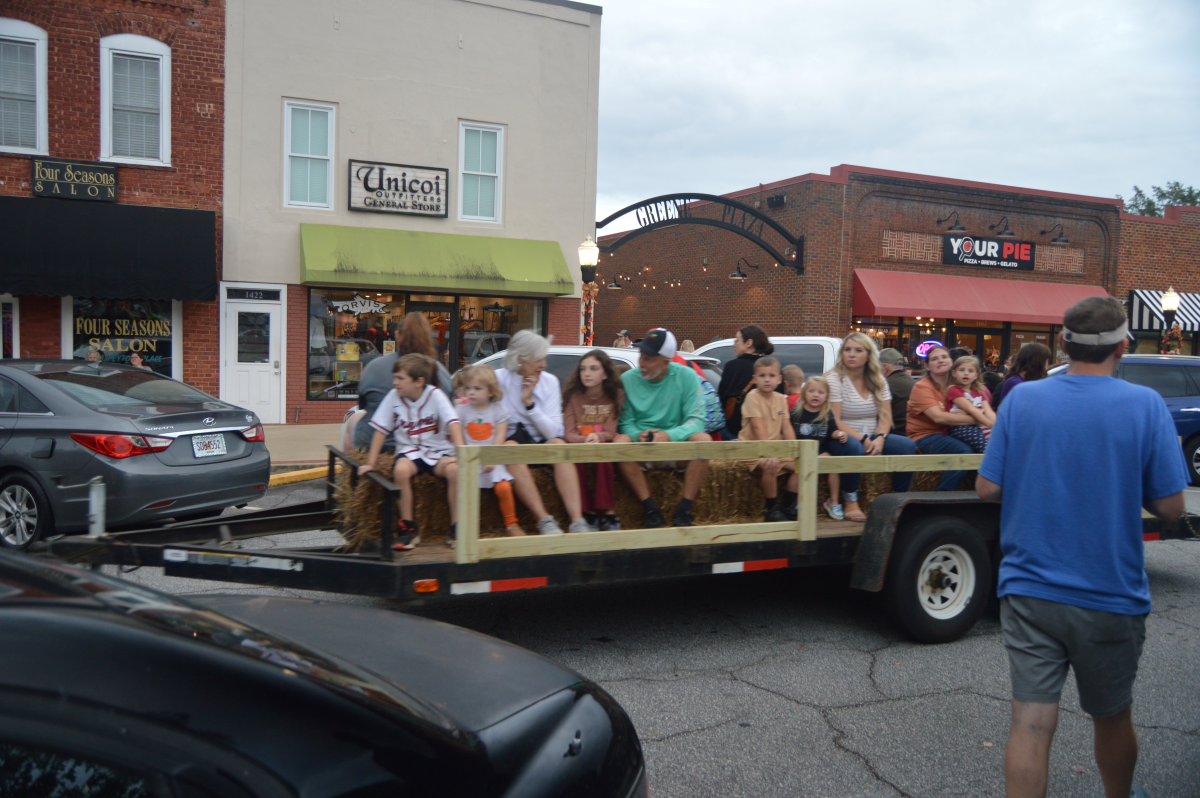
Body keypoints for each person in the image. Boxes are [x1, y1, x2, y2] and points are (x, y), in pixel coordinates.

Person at [976, 296, 1187, 798]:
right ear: (1122, 347)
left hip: (1030, 589)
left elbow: (988, 488)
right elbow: (1172, 508)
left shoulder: (1023, 399)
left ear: (1063, 344)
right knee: (1112, 718)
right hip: (1109, 592)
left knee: (1030, 722)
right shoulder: (1144, 405)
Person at [358, 353, 462, 551]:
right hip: (410, 452)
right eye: (395, 377)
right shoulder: (394, 397)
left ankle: (456, 529)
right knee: (400, 471)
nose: (394, 382)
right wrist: (371, 463)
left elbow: (453, 423)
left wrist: (460, 455)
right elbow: (380, 431)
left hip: (438, 452)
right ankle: (408, 530)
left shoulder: (435, 395)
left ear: (418, 381)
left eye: (400, 378)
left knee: (455, 471)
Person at [495, 330, 591, 536]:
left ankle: (577, 521)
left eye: (544, 358)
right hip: (512, 444)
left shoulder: (550, 382)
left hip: (543, 442)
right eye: (538, 359)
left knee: (559, 445)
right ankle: (544, 520)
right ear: (520, 359)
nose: (544, 364)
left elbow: (552, 432)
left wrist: (529, 403)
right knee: (509, 449)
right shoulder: (497, 380)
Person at [616, 328, 711, 528]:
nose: (641, 363)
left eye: (649, 359)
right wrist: (636, 434)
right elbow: (625, 422)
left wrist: (669, 435)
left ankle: (684, 509)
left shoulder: (687, 376)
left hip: (676, 449)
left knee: (704, 441)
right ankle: (650, 508)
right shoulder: (627, 380)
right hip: (641, 451)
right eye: (641, 356)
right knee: (619, 442)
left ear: (666, 362)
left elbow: (697, 420)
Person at [825, 332, 917, 522]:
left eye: (858, 350)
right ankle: (850, 499)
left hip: (874, 435)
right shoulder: (835, 379)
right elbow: (836, 421)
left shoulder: (878, 380)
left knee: (906, 446)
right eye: (847, 350)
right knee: (854, 448)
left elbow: (885, 416)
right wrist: (864, 440)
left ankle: (899, 500)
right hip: (841, 436)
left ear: (868, 355)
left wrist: (881, 438)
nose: (851, 354)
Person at [353, 313, 454, 451]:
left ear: (397, 335)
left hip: (375, 446)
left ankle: (350, 467)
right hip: (427, 448)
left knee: (353, 421)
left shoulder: (374, 367)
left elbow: (362, 405)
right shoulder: (441, 372)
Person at [455, 364, 524, 538]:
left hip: (492, 457)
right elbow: (459, 437)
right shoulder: (461, 410)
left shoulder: (498, 410)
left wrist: (492, 459)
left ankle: (511, 523)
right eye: (468, 387)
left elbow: (500, 436)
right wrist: (463, 458)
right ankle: (464, 527)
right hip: (470, 459)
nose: (471, 392)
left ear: (491, 391)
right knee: (464, 490)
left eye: (477, 388)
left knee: (503, 487)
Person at [562, 350, 624, 531]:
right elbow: (569, 433)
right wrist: (583, 441)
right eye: (583, 369)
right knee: (576, 463)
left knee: (604, 458)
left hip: (601, 444)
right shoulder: (573, 397)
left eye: (593, 369)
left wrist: (598, 437)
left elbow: (610, 431)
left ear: (605, 374)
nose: (586, 374)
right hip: (579, 445)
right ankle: (586, 512)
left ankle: (606, 512)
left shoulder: (615, 396)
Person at [905, 345, 978, 491]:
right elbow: (938, 417)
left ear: (952, 362)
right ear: (927, 366)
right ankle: (941, 495)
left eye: (944, 357)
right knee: (964, 452)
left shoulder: (957, 385)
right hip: (926, 435)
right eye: (934, 359)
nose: (941, 361)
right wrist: (976, 419)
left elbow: (979, 402)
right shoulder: (922, 386)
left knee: (986, 447)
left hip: (952, 432)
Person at [737, 357, 798, 522]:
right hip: (753, 448)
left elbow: (786, 427)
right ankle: (772, 509)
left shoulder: (780, 399)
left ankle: (789, 505)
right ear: (755, 379)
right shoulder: (752, 397)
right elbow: (758, 428)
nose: (767, 379)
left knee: (803, 465)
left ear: (779, 379)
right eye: (762, 376)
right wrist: (768, 452)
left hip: (774, 448)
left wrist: (793, 451)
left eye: (771, 375)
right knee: (771, 465)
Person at [791, 375, 847, 520]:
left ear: (826, 396)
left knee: (833, 465)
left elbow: (832, 431)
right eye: (811, 391)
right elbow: (787, 431)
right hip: (800, 453)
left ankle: (833, 502)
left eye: (820, 392)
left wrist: (839, 434)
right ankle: (798, 503)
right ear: (804, 394)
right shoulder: (797, 412)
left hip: (818, 451)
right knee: (800, 470)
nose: (815, 395)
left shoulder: (826, 413)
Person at [718, 324, 776, 437]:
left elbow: (721, 398)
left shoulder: (732, 367)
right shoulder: (773, 369)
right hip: (769, 433)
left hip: (738, 433)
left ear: (749, 343)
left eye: (737, 340)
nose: (734, 345)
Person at [944, 355, 995, 453]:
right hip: (959, 426)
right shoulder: (953, 390)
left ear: (976, 375)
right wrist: (989, 423)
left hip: (979, 424)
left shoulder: (978, 391)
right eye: (962, 370)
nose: (966, 373)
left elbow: (988, 410)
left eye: (970, 371)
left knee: (997, 440)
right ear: (954, 373)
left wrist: (996, 425)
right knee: (986, 447)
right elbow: (971, 409)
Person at [992, 342, 1051, 411]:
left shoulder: (1025, 380)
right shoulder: (1016, 383)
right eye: (1046, 361)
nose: (1047, 365)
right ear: (1037, 362)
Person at [879, 348, 914, 436]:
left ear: (885, 367)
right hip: (915, 434)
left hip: (897, 435)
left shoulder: (885, 386)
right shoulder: (915, 383)